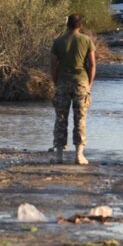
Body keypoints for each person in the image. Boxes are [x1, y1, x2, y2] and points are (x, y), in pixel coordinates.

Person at [50, 13, 96, 165]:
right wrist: (89, 84)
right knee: (80, 118)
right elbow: (92, 65)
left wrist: (56, 81)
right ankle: (79, 155)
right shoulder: (86, 40)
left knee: (61, 118)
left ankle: (59, 156)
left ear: (67, 25)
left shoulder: (58, 42)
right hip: (81, 82)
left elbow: (53, 65)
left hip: (63, 82)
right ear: (80, 25)